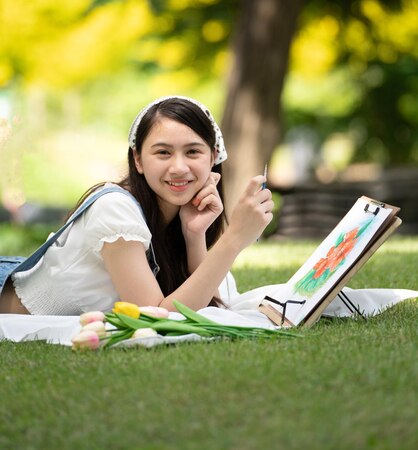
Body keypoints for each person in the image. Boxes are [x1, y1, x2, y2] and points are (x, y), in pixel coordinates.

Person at [0, 96, 274, 315]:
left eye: (193, 151)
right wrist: (235, 238)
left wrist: (194, 236)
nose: (179, 167)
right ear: (139, 160)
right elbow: (155, 317)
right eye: (163, 152)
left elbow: (206, 303)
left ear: (213, 157)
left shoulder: (177, 214)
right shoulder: (114, 209)